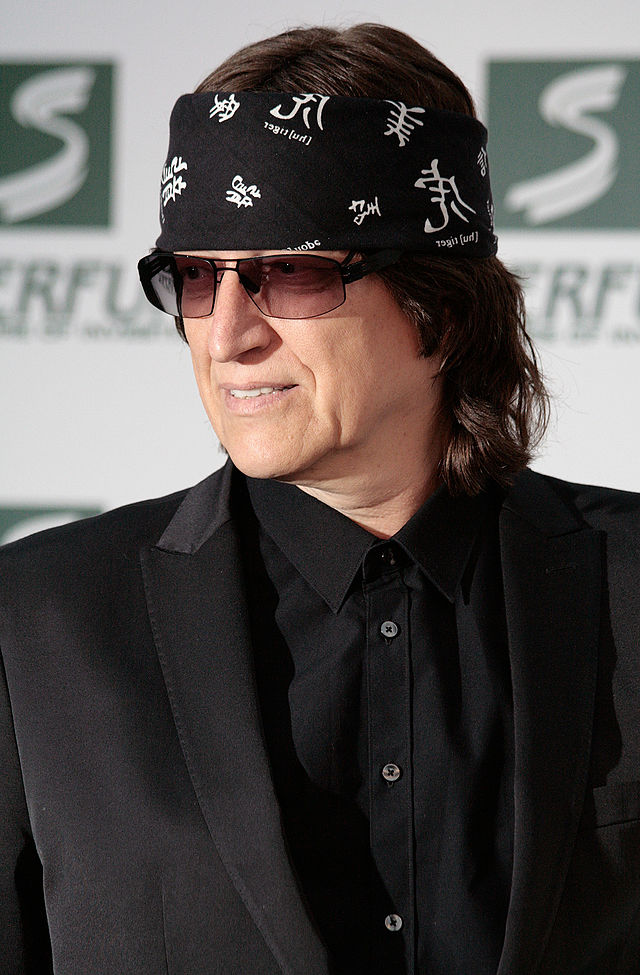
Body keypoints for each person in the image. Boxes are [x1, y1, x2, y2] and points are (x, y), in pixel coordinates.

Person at [1, 22, 639, 975]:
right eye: (196, 277)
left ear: (442, 307)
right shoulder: (38, 622)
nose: (228, 335)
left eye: (288, 275)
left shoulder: (629, 586)